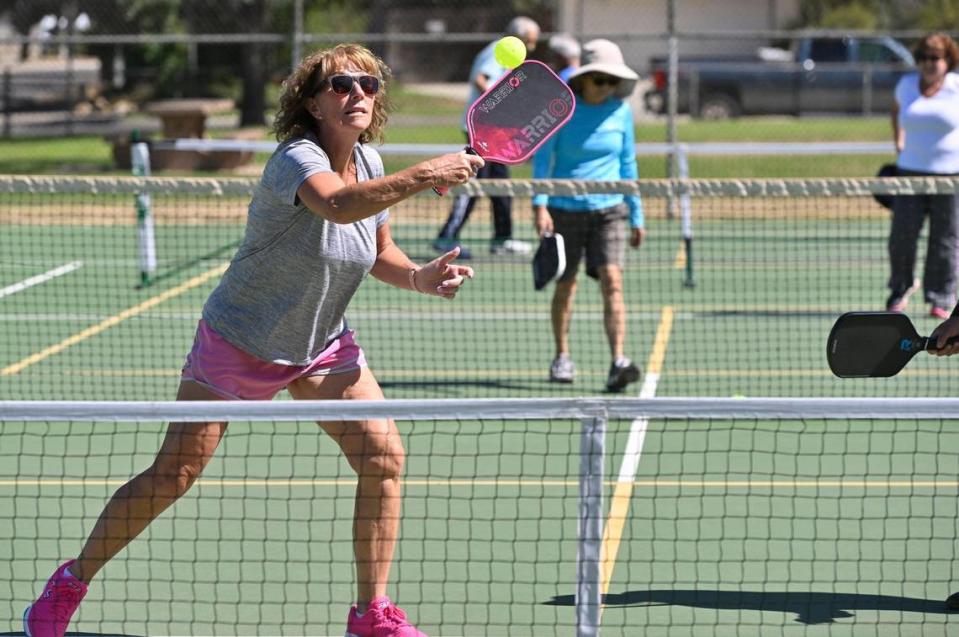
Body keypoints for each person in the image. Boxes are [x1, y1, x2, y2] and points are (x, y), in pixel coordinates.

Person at [23, 44, 483, 637]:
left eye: (369, 85)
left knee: (384, 458)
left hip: (321, 345)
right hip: (241, 340)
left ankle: (371, 613)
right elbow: (337, 208)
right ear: (313, 101)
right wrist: (427, 174)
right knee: (175, 475)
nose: (358, 95)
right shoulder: (296, 159)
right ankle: (71, 581)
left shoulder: (370, 164)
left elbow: (375, 247)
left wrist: (417, 276)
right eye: (342, 84)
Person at [530, 39, 645, 393]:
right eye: (601, 80)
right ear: (585, 79)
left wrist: (637, 214)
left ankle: (617, 361)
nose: (607, 88)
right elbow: (542, 160)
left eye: (613, 82)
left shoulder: (620, 112)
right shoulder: (559, 110)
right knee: (567, 286)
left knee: (613, 281)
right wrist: (540, 205)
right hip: (565, 209)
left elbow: (628, 164)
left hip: (610, 211)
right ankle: (562, 355)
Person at [432, 16, 540, 259]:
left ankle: (503, 238)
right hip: (481, 131)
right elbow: (481, 79)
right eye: (529, 42)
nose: (531, 48)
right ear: (517, 39)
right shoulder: (498, 51)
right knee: (472, 184)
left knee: (501, 185)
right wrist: (499, 102)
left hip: (498, 132)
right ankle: (446, 237)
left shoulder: (510, 55)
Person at [886, 32, 959, 319]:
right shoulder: (905, 86)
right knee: (901, 235)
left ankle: (941, 296)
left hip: (950, 176)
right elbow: (896, 112)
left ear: (948, 60)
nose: (930, 64)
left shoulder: (957, 88)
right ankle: (899, 288)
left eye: (937, 58)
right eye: (925, 57)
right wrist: (899, 144)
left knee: (946, 239)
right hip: (909, 173)